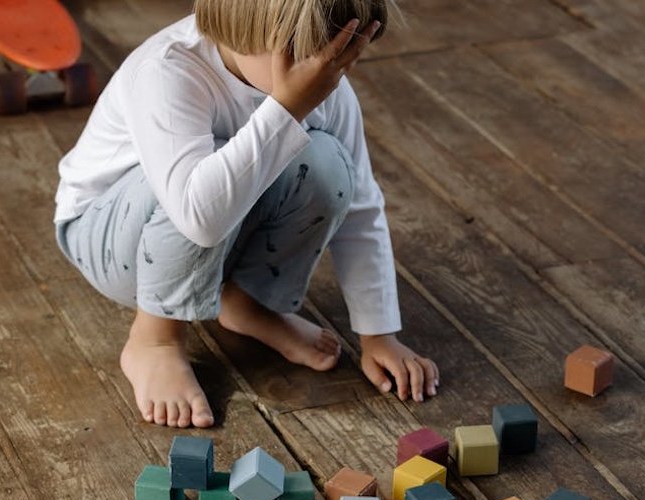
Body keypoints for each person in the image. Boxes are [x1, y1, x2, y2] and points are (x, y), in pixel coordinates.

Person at [54, 0, 439, 428]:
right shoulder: (168, 71)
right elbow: (198, 215)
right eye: (310, 55)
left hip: (216, 237)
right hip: (111, 241)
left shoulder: (326, 83)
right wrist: (287, 108)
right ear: (246, 30)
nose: (325, 74)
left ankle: (248, 302)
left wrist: (378, 334)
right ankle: (155, 339)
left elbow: (360, 208)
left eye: (343, 57)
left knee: (327, 161)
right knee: (211, 177)